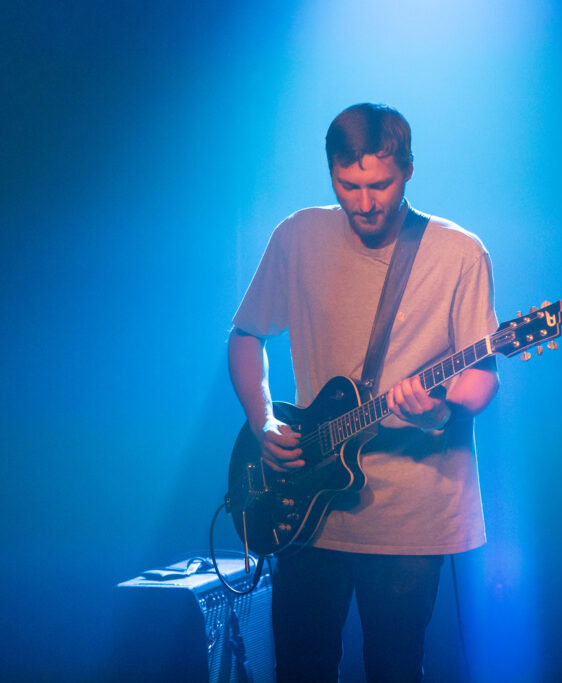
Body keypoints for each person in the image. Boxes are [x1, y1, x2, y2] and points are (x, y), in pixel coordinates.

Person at [228, 103, 499, 682]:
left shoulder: (458, 252)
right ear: (330, 171)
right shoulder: (298, 235)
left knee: (395, 669)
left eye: (381, 184)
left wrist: (439, 411)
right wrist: (262, 422)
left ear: (408, 170)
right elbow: (246, 336)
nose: (365, 202)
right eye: (348, 185)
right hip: (303, 503)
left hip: (411, 513)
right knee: (300, 668)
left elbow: (481, 375)